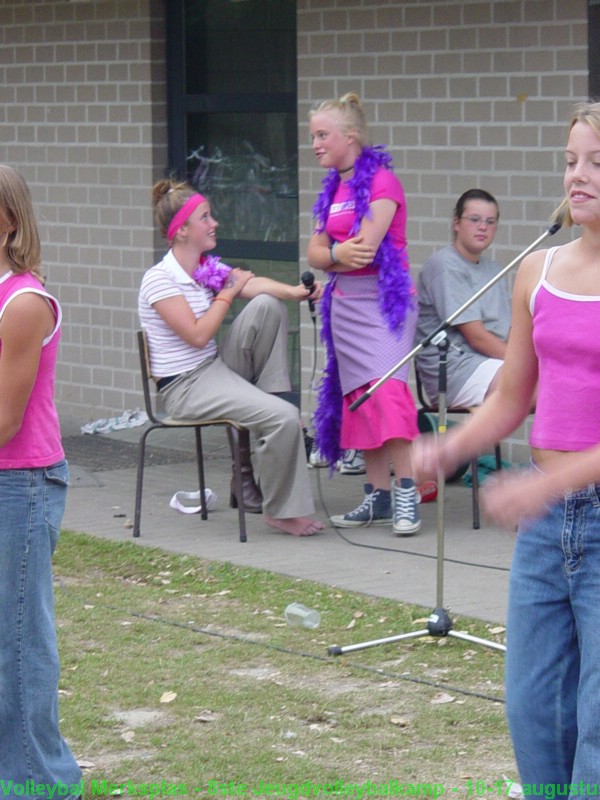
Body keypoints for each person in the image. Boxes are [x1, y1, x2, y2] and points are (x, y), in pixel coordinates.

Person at [413, 101, 600, 793]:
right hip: (550, 529)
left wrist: (543, 482)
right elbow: (511, 397)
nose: (577, 175)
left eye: (596, 162)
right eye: (571, 160)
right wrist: (450, 446)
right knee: (533, 713)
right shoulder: (537, 271)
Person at [139, 178, 325, 537]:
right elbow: (196, 335)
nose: (215, 224)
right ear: (181, 232)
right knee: (285, 418)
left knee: (268, 306)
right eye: (205, 218)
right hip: (185, 387)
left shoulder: (202, 269)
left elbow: (251, 286)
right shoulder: (159, 280)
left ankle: (269, 406)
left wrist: (296, 292)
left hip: (214, 369)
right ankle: (280, 511)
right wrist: (227, 292)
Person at [0, 166, 82, 795]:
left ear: (7, 220)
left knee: (20, 641)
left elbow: (5, 418)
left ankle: (39, 780)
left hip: (20, 484)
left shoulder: (23, 301)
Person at [307, 92, 421, 536]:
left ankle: (408, 491)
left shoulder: (382, 183)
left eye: (322, 135)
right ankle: (378, 497)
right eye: (312, 135)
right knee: (361, 401)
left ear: (350, 136)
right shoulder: (332, 188)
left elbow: (366, 252)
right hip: (346, 307)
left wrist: (328, 255)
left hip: (383, 303)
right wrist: (333, 252)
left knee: (388, 395)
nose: (315, 144)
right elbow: (318, 252)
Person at [415, 189, 510, 408]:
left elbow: (510, 332)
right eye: (474, 219)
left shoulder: (494, 269)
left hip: (491, 364)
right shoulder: (445, 265)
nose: (483, 227)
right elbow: (476, 337)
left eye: (490, 221)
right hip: (454, 370)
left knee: (561, 382)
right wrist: (523, 365)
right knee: (540, 385)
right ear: (456, 223)